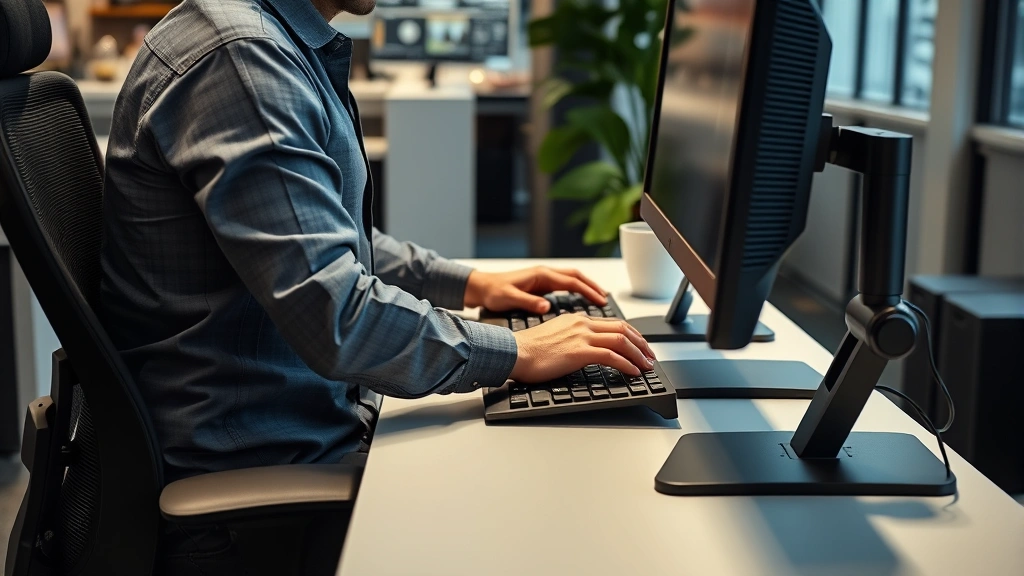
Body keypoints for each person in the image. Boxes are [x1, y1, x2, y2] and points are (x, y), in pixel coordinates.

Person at [100, 0, 655, 570]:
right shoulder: (242, 58)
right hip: (265, 470)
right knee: (565, 522)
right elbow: (334, 313)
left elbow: (320, 235)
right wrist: (515, 350)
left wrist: (470, 283)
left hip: (307, 421)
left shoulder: (265, 38)